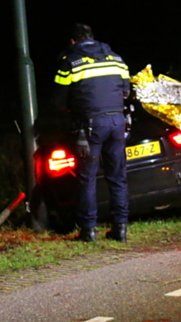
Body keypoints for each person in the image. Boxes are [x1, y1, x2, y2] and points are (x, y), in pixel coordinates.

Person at [53, 23, 131, 242]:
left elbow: (59, 100)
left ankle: (88, 230)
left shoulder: (70, 62)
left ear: (72, 41)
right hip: (117, 121)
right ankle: (120, 230)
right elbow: (126, 91)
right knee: (117, 177)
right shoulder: (116, 58)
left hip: (90, 125)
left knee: (87, 178)